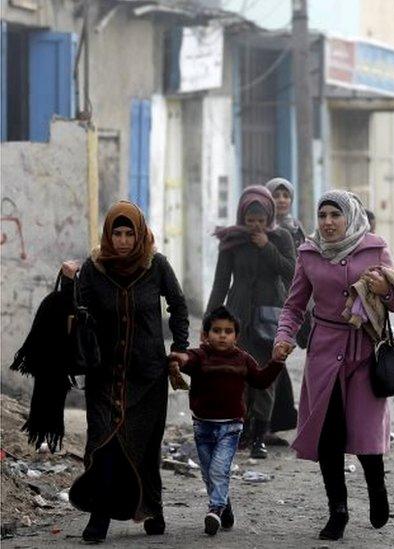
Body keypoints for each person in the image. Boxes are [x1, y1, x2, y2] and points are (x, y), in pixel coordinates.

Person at [272, 190, 394, 541]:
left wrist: (384, 289)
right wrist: (283, 336)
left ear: (350, 216)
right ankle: (338, 510)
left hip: (364, 350)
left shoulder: (374, 248)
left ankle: (377, 488)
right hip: (324, 352)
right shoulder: (309, 253)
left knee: (365, 431)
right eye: (323, 215)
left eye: (335, 215)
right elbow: (294, 304)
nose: (328, 223)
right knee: (328, 434)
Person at [61, 201, 189, 543]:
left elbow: (178, 305)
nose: (121, 240)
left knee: (144, 445)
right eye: (116, 233)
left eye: (128, 232)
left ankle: (152, 507)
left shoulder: (156, 265)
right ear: (107, 234)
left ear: (139, 233)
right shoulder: (94, 268)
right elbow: (76, 310)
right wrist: (67, 282)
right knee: (104, 442)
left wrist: (180, 346)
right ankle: (99, 516)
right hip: (103, 374)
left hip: (147, 375)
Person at [168, 306, 285, 536]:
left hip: (231, 426)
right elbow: (187, 358)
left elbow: (261, 381)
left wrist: (277, 362)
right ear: (205, 335)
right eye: (217, 330)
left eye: (228, 331)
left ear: (236, 336)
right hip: (203, 425)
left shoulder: (243, 359)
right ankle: (226, 507)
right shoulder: (201, 356)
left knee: (219, 469)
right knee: (207, 472)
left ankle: (216, 508)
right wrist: (178, 359)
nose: (222, 335)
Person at [207, 185, 296, 458]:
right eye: (250, 221)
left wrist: (267, 247)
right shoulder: (232, 241)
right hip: (238, 316)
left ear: (269, 217)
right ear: (241, 217)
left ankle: (259, 436)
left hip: (270, 316)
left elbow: (292, 271)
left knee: (265, 377)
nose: (255, 226)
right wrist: (211, 319)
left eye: (260, 221)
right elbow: (221, 282)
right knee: (238, 376)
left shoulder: (281, 237)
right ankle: (241, 432)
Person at [263, 178, 304, 445]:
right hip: (262, 301)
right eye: (276, 195)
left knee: (272, 360)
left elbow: (300, 267)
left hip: (285, 300)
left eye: (285, 195)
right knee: (269, 360)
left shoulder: (293, 228)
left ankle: (273, 420)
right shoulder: (254, 225)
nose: (281, 200)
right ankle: (278, 419)